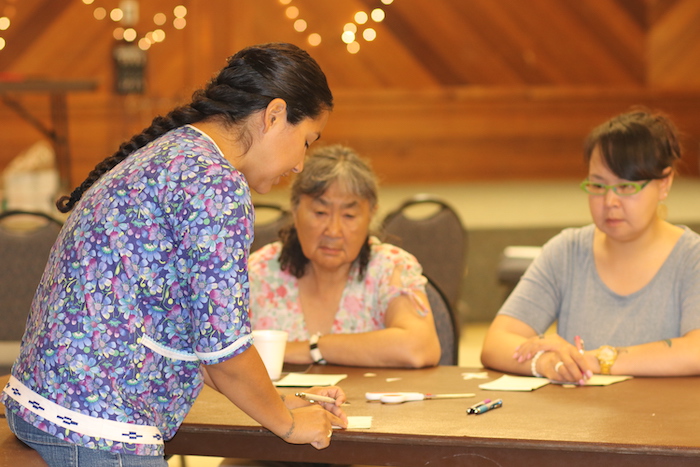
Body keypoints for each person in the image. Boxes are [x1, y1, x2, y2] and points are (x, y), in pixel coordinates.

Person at [1, 43, 348, 467]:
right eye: (307, 141)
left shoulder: (175, 153)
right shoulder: (215, 183)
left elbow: (193, 338)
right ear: (274, 116)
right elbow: (225, 351)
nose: (299, 164)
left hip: (44, 402)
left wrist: (277, 403)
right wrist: (290, 426)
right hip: (95, 422)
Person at [480, 109, 700, 384]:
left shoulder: (692, 258)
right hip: (581, 423)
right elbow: (496, 342)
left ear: (664, 183)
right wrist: (548, 362)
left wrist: (593, 360)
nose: (610, 201)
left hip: (667, 423)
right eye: (598, 185)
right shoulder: (567, 252)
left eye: (626, 187)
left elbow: (696, 350)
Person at [248, 144, 441, 368]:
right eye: (320, 213)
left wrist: (312, 348)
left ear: (371, 214)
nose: (333, 231)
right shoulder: (260, 270)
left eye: (349, 215)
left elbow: (418, 348)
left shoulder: (390, 268)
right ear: (294, 208)